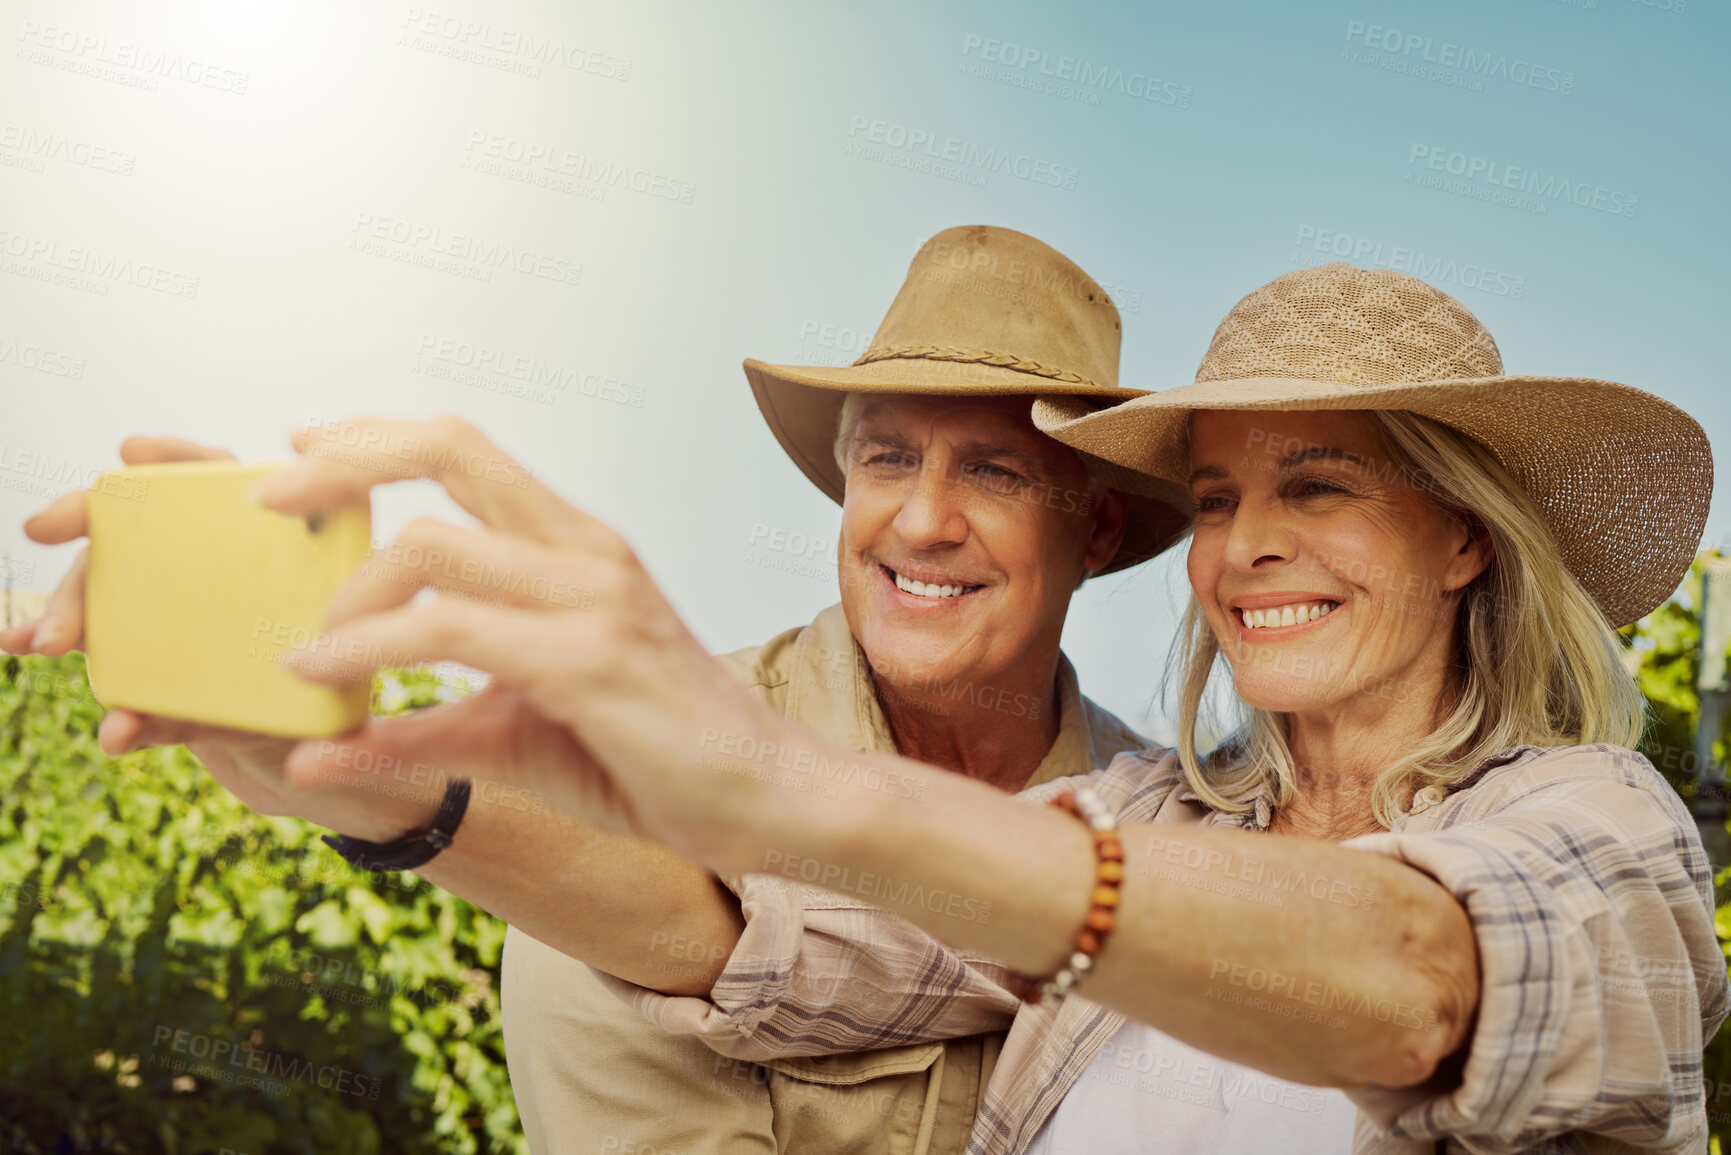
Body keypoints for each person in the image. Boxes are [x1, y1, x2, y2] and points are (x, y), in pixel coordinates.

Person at [224, 262, 1721, 1152]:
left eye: (1316, 485)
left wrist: (798, 785)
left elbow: (1417, 976)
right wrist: (379, 787)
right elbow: (756, 932)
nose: (1246, 544)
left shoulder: (1595, 819)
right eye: (1215, 497)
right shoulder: (1136, 814)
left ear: (1461, 536)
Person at [3, 227, 1191, 1154]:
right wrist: (396, 789)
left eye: (995, 471)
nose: (922, 521)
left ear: (1098, 531)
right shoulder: (602, 815)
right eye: (886, 457)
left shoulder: (1165, 833)